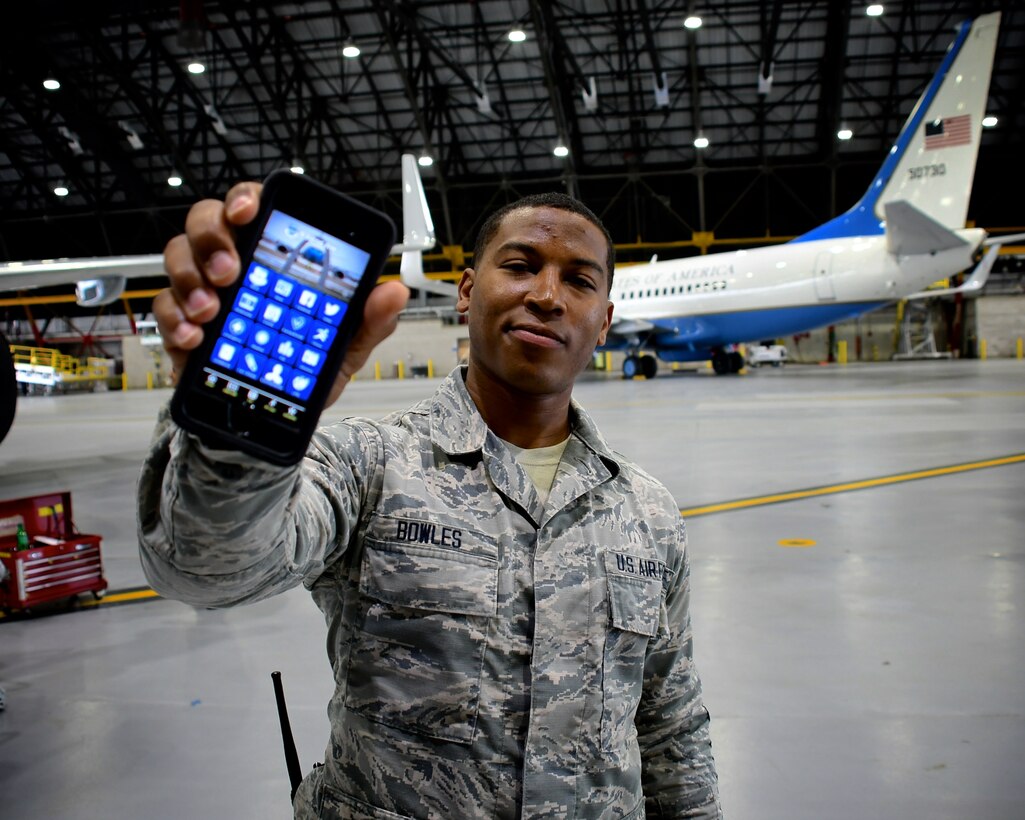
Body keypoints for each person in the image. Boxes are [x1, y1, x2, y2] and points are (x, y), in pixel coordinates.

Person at [138, 182, 723, 819]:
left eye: (579, 281)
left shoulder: (648, 511)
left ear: (604, 322)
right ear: (467, 291)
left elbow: (670, 722)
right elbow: (206, 572)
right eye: (521, 266)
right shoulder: (370, 463)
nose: (547, 297)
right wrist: (237, 439)